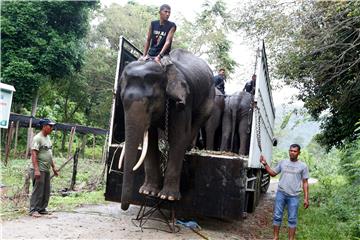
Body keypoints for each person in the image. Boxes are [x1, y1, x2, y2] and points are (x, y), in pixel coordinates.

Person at [260, 144, 309, 240]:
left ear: (299, 153)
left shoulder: (303, 166)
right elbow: (273, 173)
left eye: (295, 151)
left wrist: (306, 198)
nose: (292, 153)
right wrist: (265, 164)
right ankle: (275, 237)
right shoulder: (283, 162)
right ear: (289, 151)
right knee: (277, 216)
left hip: (294, 196)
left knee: (292, 219)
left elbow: (305, 182)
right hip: (281, 194)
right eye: (291, 150)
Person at [29, 118, 58, 217]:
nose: (52, 128)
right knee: (38, 190)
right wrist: (36, 169)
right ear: (44, 126)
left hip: (46, 169)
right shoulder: (38, 138)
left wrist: (54, 167)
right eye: (50, 126)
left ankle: (42, 208)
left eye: (52, 126)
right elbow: (33, 154)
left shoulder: (48, 138)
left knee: (46, 190)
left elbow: (49, 154)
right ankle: (33, 210)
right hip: (39, 168)